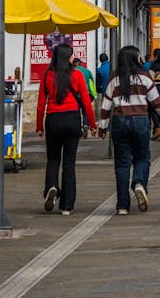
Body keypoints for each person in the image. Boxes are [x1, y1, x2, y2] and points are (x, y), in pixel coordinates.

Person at [100, 45, 160, 215]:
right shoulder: (144, 78)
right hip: (140, 121)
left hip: (119, 121)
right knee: (142, 157)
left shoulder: (115, 79)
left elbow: (106, 105)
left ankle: (122, 205)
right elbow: (156, 102)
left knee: (122, 164)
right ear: (135, 58)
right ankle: (139, 183)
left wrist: (102, 127)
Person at [36, 43, 97, 215]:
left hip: (53, 120)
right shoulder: (77, 75)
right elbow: (86, 102)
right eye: (71, 55)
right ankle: (67, 206)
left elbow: (41, 105)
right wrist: (92, 124)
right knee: (69, 163)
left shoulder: (47, 75)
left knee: (53, 158)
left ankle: (52, 186)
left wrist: (39, 126)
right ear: (68, 57)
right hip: (72, 120)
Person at [73, 56, 97, 138]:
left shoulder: (72, 72)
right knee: (85, 111)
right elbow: (92, 83)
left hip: (76, 96)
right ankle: (86, 124)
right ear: (80, 63)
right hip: (87, 94)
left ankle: (79, 130)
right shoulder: (87, 71)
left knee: (77, 113)